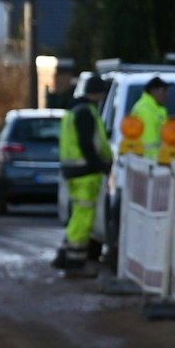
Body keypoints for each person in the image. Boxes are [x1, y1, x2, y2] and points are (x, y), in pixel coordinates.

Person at [56, 77, 114, 276]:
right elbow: (88, 144)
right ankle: (75, 263)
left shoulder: (74, 110)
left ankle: (64, 254)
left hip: (74, 171)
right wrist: (100, 164)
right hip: (86, 173)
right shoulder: (86, 113)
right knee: (83, 218)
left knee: (77, 215)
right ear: (98, 93)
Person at [129, 77, 170, 159]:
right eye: (164, 90)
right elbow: (150, 144)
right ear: (153, 91)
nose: (167, 94)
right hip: (147, 163)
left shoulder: (156, 109)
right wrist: (156, 163)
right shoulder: (145, 110)